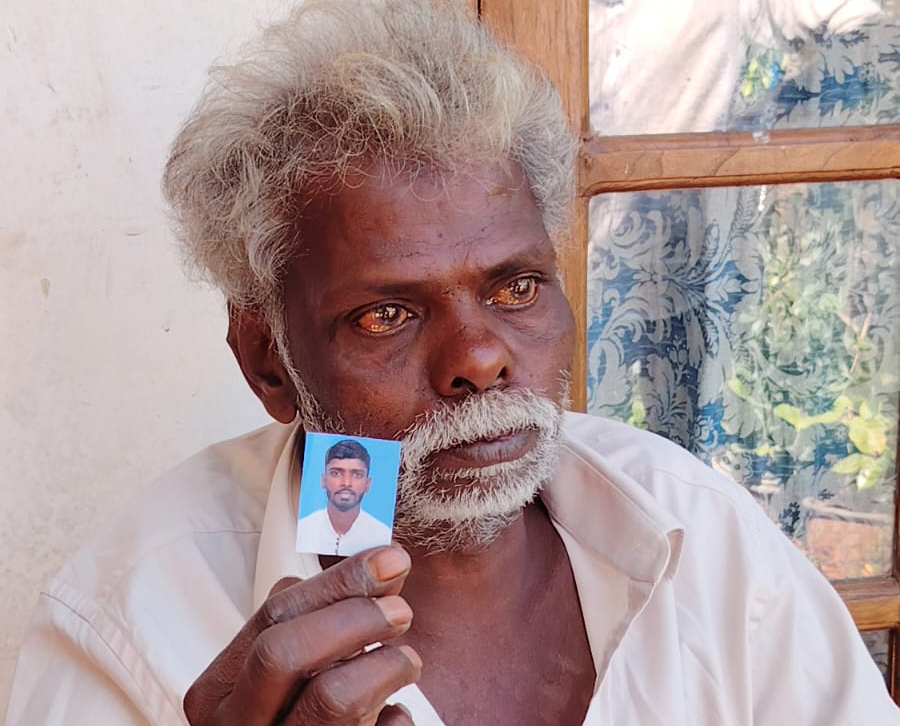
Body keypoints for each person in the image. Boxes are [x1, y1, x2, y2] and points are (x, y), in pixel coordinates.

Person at [6, 1, 900, 724]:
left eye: (516, 288)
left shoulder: (698, 537)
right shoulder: (132, 622)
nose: (479, 357)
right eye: (386, 315)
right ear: (268, 362)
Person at [296, 439, 392, 556]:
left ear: (368, 484)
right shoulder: (303, 529)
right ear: (324, 480)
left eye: (357, 475)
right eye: (336, 473)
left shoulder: (381, 537)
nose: (346, 483)